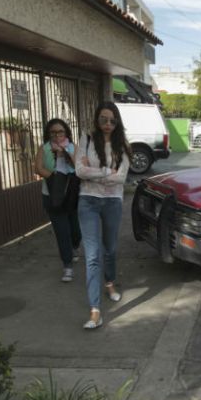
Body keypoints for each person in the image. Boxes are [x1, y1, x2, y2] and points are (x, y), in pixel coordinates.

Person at [75, 102, 132, 329]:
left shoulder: (123, 145)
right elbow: (79, 171)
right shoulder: (86, 139)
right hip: (87, 201)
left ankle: (109, 283)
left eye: (112, 120)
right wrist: (108, 171)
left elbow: (122, 178)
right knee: (92, 255)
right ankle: (95, 310)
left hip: (112, 202)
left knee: (110, 248)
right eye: (103, 120)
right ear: (97, 120)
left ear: (117, 122)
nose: (107, 124)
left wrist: (94, 173)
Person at [34, 118, 82, 283]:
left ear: (66, 132)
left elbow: (79, 167)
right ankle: (67, 266)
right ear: (48, 133)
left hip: (71, 195)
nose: (57, 135)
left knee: (75, 230)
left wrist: (66, 154)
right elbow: (38, 167)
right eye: (53, 132)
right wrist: (55, 178)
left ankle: (75, 247)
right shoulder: (44, 148)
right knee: (62, 231)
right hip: (52, 196)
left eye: (60, 131)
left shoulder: (73, 147)